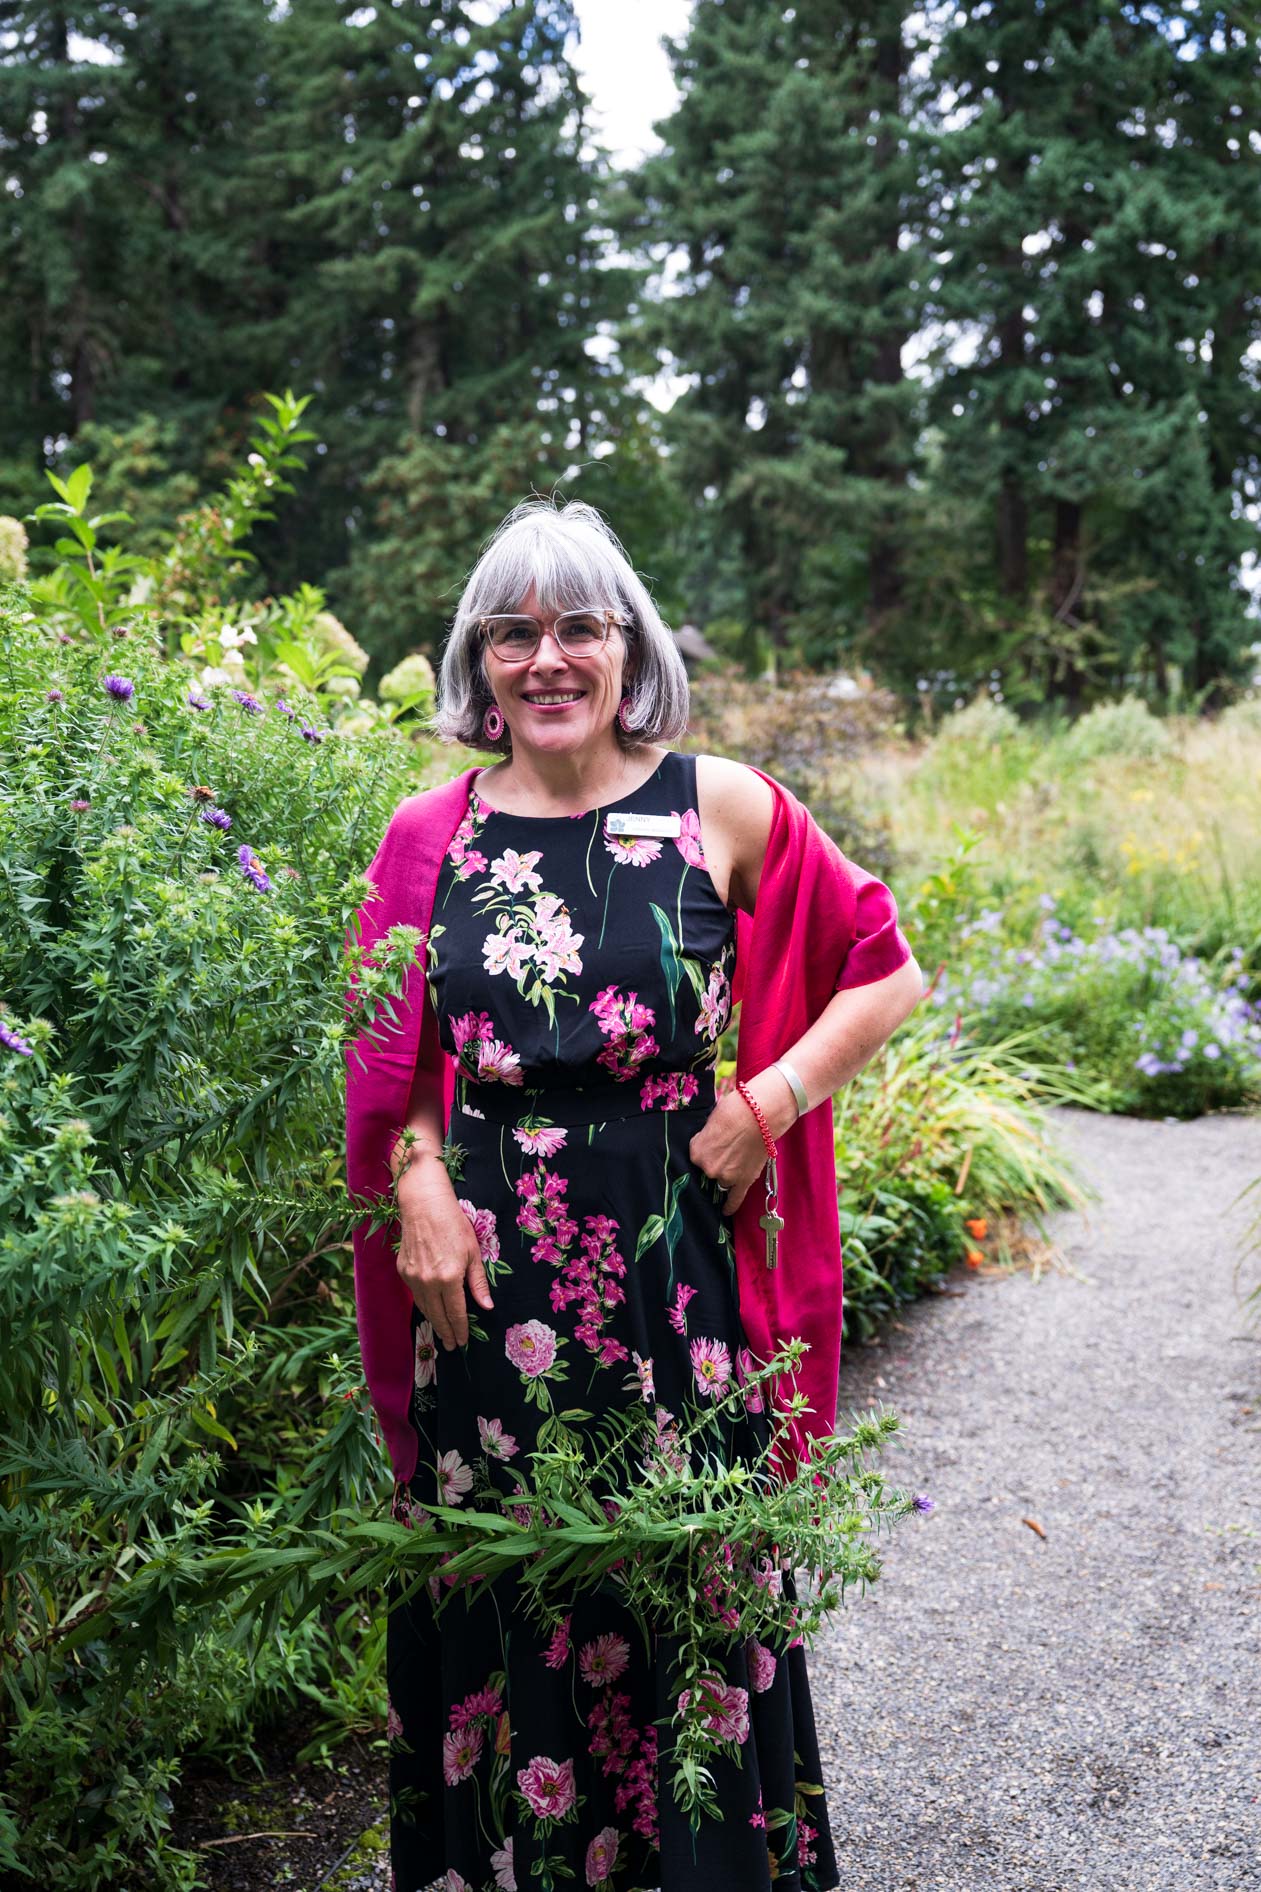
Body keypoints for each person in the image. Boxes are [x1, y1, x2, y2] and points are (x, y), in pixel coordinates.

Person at [344, 497, 924, 1892]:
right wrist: (416, 1178)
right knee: (516, 1579)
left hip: (677, 1283)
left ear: (627, 647)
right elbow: (390, 1051)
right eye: (513, 632)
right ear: (477, 661)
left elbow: (886, 970)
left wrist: (764, 1101)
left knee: (687, 1576)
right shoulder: (429, 835)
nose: (547, 658)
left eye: (578, 628)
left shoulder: (711, 803)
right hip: (485, 1296)